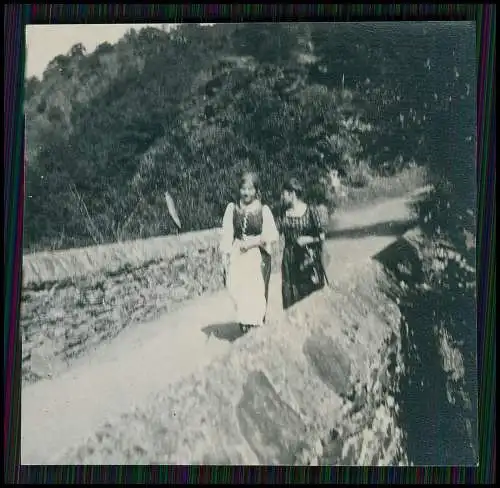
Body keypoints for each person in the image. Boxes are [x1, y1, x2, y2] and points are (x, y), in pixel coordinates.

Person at [220, 171, 279, 333]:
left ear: (256, 190)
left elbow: (272, 234)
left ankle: (256, 328)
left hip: (257, 255)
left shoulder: (263, 210)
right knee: (239, 290)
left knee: (256, 292)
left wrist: (253, 243)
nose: (247, 193)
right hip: (238, 255)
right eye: (243, 189)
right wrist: (225, 256)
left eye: (250, 189)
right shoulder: (232, 208)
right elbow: (227, 234)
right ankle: (244, 327)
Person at [279, 177, 328, 310]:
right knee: (290, 292)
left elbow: (322, 236)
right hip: (289, 258)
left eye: (284, 194)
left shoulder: (310, 211)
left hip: (307, 257)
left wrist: (308, 239)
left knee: (307, 292)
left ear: (292, 193)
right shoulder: (284, 213)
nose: (282, 197)